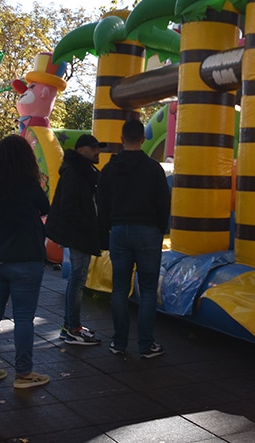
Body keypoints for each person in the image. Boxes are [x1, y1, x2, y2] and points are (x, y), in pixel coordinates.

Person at [0, 134, 51, 389]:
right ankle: (24, 373)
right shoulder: (29, 184)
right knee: (23, 318)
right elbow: (44, 207)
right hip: (25, 257)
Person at [97, 118, 171, 358]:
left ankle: (119, 343)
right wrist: (160, 228)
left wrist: (109, 226)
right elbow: (163, 202)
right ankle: (146, 344)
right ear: (143, 138)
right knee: (148, 289)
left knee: (120, 288)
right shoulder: (153, 168)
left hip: (119, 230)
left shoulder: (110, 168)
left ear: (121, 139)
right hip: (148, 230)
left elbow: (102, 201)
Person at [45, 133, 106, 346]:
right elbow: (70, 205)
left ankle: (73, 325)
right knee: (77, 280)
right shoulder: (76, 173)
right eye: (94, 148)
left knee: (78, 280)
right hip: (80, 234)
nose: (98, 152)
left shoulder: (82, 171)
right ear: (82, 150)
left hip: (81, 233)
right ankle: (71, 328)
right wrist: (87, 226)